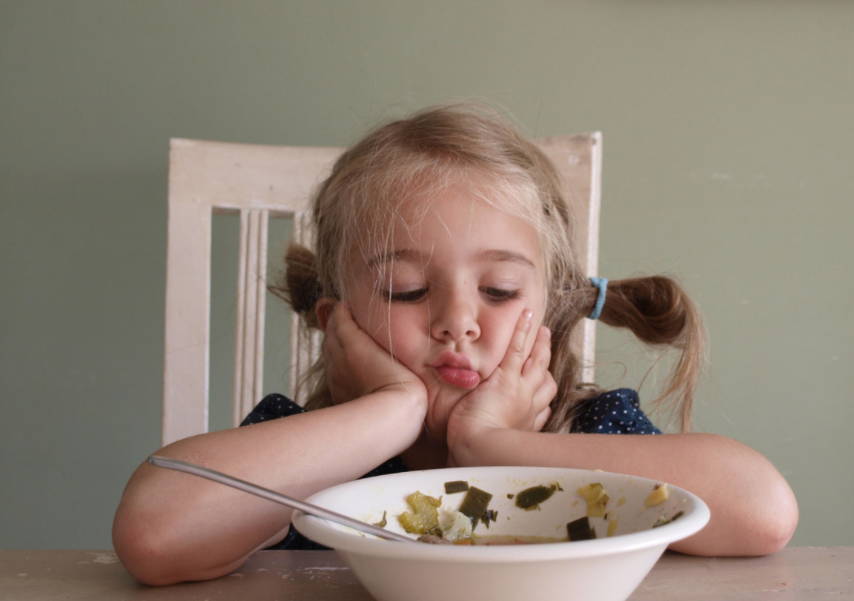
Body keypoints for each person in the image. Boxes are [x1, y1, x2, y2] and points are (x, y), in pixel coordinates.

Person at [113, 104, 798, 585]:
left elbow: (762, 513)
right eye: (406, 289)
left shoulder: (587, 430)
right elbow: (154, 534)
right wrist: (389, 409)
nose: (456, 321)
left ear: (551, 312)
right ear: (336, 320)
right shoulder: (303, 448)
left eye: (498, 290)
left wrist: (496, 445)